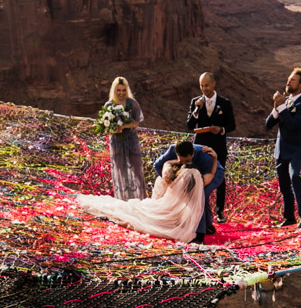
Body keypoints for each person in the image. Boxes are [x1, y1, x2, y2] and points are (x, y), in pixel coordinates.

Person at [74, 145, 211, 242]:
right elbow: (209, 177)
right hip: (175, 211)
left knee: (132, 210)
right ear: (192, 153)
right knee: (139, 214)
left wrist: (175, 161)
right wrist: (215, 158)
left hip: (163, 205)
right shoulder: (194, 175)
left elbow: (163, 174)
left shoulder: (170, 168)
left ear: (177, 155)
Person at [265, 67, 301, 227]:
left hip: (295, 149)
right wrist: (276, 108)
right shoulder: (283, 103)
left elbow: (293, 125)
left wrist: (282, 108)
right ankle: (289, 217)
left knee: (295, 177)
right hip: (281, 149)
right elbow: (268, 124)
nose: (288, 82)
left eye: (292, 80)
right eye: (288, 79)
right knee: (284, 184)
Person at [185, 73, 236, 223]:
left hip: (218, 146)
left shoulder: (225, 103)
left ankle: (219, 212)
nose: (204, 89)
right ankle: (196, 208)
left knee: (219, 178)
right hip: (200, 146)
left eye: (206, 85)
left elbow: (231, 125)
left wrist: (220, 129)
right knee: (197, 176)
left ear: (214, 84)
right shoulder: (195, 102)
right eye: (201, 86)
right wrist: (196, 111)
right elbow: (189, 125)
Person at [152, 139, 218, 242]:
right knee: (199, 201)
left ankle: (205, 227)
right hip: (187, 191)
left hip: (173, 193)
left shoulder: (171, 178)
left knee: (200, 198)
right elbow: (212, 174)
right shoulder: (200, 180)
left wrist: (175, 162)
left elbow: (166, 168)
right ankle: (202, 231)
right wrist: (215, 158)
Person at [102, 77, 146, 199]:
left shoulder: (132, 103)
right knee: (120, 170)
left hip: (131, 140)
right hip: (116, 141)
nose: (121, 93)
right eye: (118, 90)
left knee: (136, 168)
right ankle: (123, 199)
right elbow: (105, 125)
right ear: (114, 90)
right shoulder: (109, 105)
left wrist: (124, 126)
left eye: (123, 90)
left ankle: (140, 197)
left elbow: (136, 122)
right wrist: (113, 129)